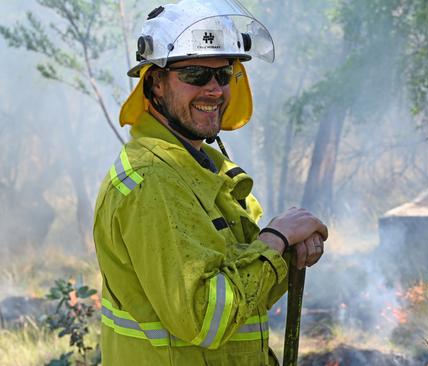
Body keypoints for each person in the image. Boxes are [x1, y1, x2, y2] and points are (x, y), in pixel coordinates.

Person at [92, 1, 327, 364]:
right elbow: (206, 318)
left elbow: (243, 296)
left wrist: (288, 253)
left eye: (224, 74)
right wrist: (276, 238)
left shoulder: (205, 172)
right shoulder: (153, 181)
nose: (215, 90)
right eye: (196, 74)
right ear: (154, 84)